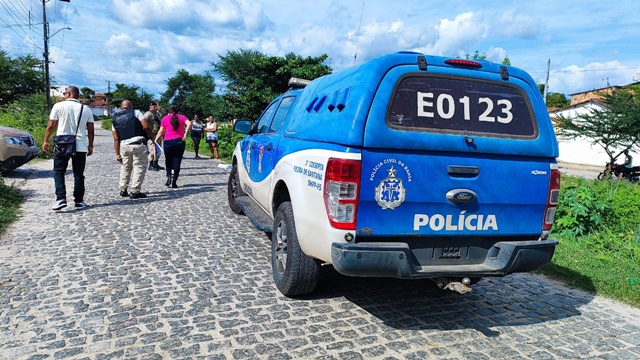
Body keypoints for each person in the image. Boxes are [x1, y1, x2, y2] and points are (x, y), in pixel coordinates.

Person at [42, 86, 95, 210]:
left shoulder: (58, 106)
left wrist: (46, 141)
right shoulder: (86, 109)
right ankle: (79, 201)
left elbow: (51, 126)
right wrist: (90, 145)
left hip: (62, 144)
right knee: (78, 174)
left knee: (59, 172)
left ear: (69, 94)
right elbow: (91, 130)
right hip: (80, 145)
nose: (64, 94)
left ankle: (61, 199)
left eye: (65, 92)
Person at [111, 100, 154, 199]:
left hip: (124, 145)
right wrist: (152, 137)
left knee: (126, 167)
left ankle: (123, 189)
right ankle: (135, 191)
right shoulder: (136, 112)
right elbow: (146, 126)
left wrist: (117, 154)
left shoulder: (115, 118)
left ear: (121, 107)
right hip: (137, 143)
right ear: (131, 106)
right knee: (139, 167)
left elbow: (116, 138)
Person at [155, 104, 191, 188]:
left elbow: (161, 130)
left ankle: (168, 178)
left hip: (168, 141)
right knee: (177, 161)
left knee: (168, 160)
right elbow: (189, 123)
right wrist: (185, 134)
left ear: (170, 110)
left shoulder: (165, 118)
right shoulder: (182, 117)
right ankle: (174, 181)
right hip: (179, 141)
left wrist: (156, 139)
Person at [144, 101, 164, 171]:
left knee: (158, 150)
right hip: (152, 134)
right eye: (154, 107)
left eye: (156, 107)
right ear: (150, 107)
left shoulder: (157, 114)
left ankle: (156, 163)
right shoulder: (148, 114)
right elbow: (144, 122)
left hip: (158, 134)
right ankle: (151, 164)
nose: (155, 108)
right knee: (152, 150)